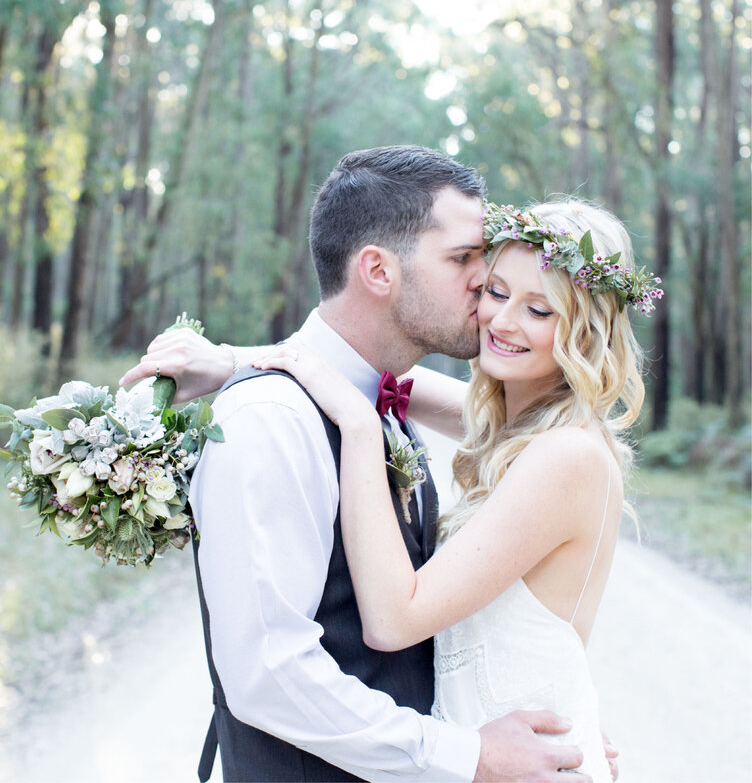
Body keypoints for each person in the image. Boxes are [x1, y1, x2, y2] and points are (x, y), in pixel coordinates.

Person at [121, 146, 609, 782]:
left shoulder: (385, 400)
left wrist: (565, 712)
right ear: (378, 270)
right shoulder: (271, 418)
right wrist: (468, 756)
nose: (484, 291)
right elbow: (267, 671)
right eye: (464, 259)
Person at [245, 198, 661, 782]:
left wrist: (361, 429)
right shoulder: (525, 430)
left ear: (584, 333)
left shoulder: (566, 455)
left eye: (539, 309)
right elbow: (385, 376)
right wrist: (229, 365)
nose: (503, 321)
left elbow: (393, 620)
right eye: (496, 292)